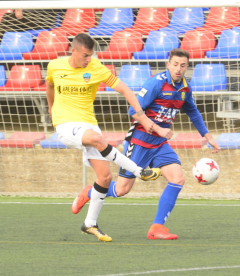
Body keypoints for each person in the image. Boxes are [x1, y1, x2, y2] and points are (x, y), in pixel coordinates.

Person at [72, 48, 221, 240]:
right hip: (139, 141)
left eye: (183, 65)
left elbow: (193, 112)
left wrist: (208, 137)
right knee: (122, 189)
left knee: (177, 179)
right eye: (175, 64)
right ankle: (90, 192)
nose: (178, 69)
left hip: (159, 144)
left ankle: (156, 228)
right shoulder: (155, 83)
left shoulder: (185, 88)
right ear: (168, 64)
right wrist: (158, 129)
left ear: (187, 67)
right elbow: (132, 111)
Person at [46, 33, 169, 242]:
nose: (88, 59)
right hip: (66, 125)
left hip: (88, 124)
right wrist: (51, 110)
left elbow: (126, 90)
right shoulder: (55, 66)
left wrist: (141, 116)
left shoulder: (96, 68)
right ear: (73, 51)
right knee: (97, 139)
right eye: (85, 55)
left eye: (90, 55)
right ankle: (140, 171)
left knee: (105, 177)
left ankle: (89, 223)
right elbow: (49, 85)